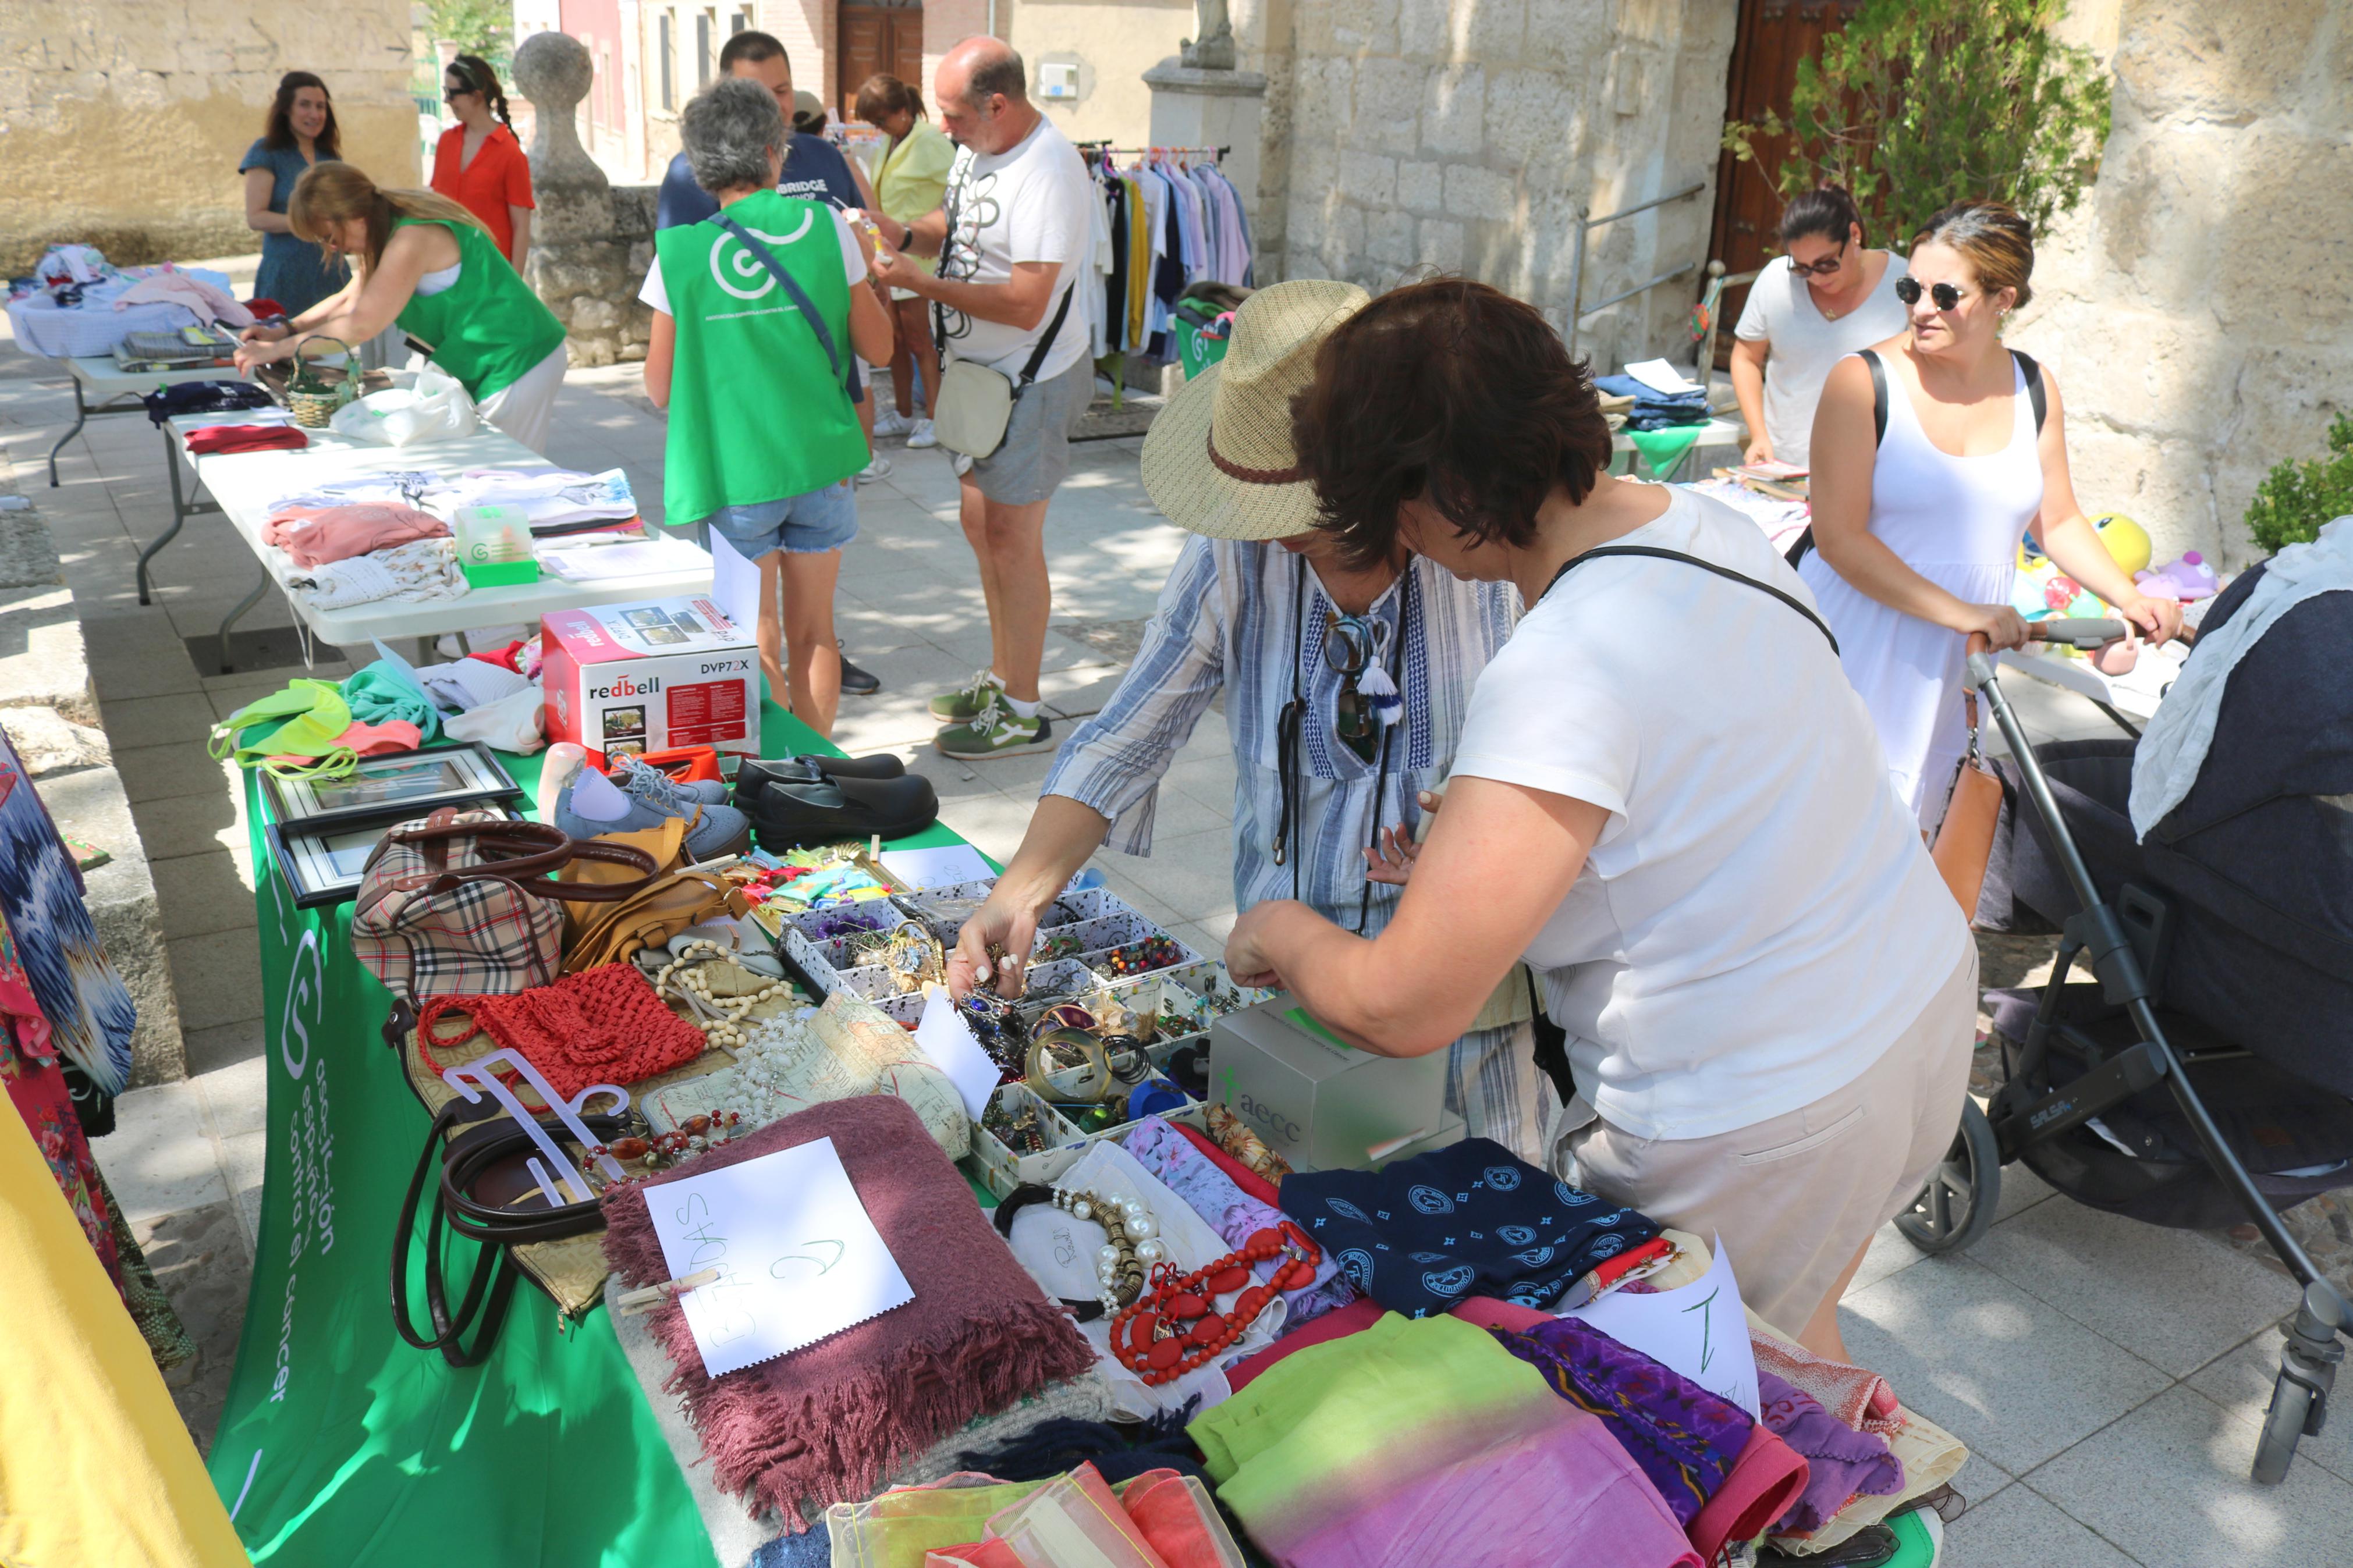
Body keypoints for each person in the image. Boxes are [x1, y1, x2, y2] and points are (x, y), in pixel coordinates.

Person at [1222, 279, 1976, 1360]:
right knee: (1793, 1350)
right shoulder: (1712, 528)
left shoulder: (1561, 664)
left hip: (1763, 1111)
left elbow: (1401, 1007)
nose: (1399, 543)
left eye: (1388, 511)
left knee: (1692, 1419)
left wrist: (1276, 930)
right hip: (1909, 1018)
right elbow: (1716, 794)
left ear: (1438, 496)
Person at [946, 280, 1550, 1162]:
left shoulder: (1488, 567)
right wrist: (1020, 890)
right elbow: (1129, 731)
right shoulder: (1234, 554)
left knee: (1487, 1233)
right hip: (1287, 995)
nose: (1274, 536)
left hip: (1473, 1021)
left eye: (1301, 512)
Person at [1801, 198, 2181, 828]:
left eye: (1944, 294)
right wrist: (1965, 614)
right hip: (1858, 640)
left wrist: (2126, 594)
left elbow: (2056, 521)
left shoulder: (2032, 386)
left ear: (2001, 299)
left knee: (1918, 831)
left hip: (1961, 658)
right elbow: (1837, 539)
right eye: (1909, 288)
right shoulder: (1860, 381)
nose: (1920, 309)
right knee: (1823, 828)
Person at [639, 79, 893, 739]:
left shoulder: (682, 252)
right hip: (820, 461)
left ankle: (778, 774)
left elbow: (659, 389)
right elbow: (879, 347)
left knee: (757, 635)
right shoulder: (826, 225)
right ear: (776, 150)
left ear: (699, 167)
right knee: (817, 633)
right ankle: (822, 772)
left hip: (735, 474)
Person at [872, 39, 1099, 761]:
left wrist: (920, 280)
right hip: (984, 381)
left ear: (996, 104)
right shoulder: (978, 148)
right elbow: (956, 220)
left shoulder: (1051, 170)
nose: (943, 128)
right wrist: (905, 234)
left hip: (1030, 379)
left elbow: (1028, 302)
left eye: (951, 114)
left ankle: (1025, 710)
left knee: (1011, 538)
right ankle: (1005, 679)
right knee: (983, 528)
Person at [233, 165, 569, 453]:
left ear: (354, 216)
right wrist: (285, 331)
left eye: (330, 236)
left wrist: (278, 350)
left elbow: (362, 323)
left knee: (506, 479)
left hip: (517, 360)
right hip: (490, 361)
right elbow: (350, 299)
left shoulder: (412, 238)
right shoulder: (389, 230)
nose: (333, 248)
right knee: (489, 475)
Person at [1729, 187, 1910, 472]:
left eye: (1826, 264)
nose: (1814, 278)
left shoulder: (1905, 285)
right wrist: (1759, 435)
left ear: (1855, 235)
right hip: (1783, 465)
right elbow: (1745, 358)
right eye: (1801, 268)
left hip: (1873, 468)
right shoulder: (1776, 279)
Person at [854, 72, 954, 450]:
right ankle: (904, 413)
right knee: (892, 339)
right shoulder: (893, 138)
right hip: (888, 253)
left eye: (880, 120)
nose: (876, 129)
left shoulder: (929, 141)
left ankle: (935, 417)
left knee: (918, 339)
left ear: (901, 111)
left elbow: (956, 193)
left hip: (919, 255)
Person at [239, 72, 349, 318]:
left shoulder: (330, 156)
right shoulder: (266, 152)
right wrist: (308, 224)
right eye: (305, 105)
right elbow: (256, 218)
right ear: (286, 109)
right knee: (284, 350)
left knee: (335, 352)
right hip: (285, 277)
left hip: (332, 275)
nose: (315, 114)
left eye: (321, 107)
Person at [431, 55, 535, 271]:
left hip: (490, 270)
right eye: (445, 92)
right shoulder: (446, 142)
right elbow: (436, 206)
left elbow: (521, 225)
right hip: (445, 266)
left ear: (476, 96)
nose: (446, 100)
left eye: (452, 93)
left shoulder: (510, 153)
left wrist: (514, 284)